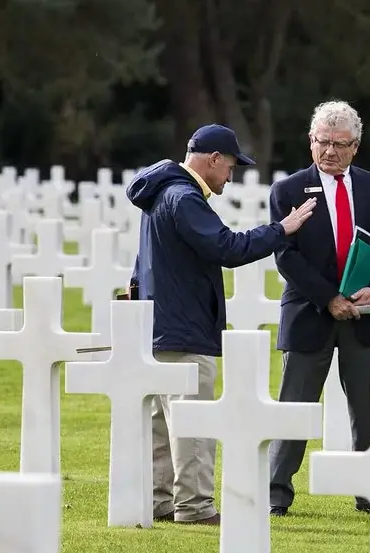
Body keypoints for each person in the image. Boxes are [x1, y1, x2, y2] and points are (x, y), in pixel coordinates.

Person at [127, 123, 316, 525]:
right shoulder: (184, 197)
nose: (231, 176)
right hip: (186, 323)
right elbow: (226, 247)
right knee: (193, 422)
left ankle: (161, 502)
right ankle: (195, 507)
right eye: (230, 167)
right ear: (213, 160)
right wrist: (282, 230)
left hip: (159, 324)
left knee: (164, 422)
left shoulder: (162, 192)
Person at [267, 100, 370, 516]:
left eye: (340, 144)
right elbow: (285, 255)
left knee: (369, 406)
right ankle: (276, 492)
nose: (330, 151)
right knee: (296, 404)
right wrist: (329, 298)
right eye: (322, 142)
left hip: (364, 314)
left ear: (356, 147)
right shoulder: (288, 190)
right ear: (311, 142)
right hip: (311, 311)